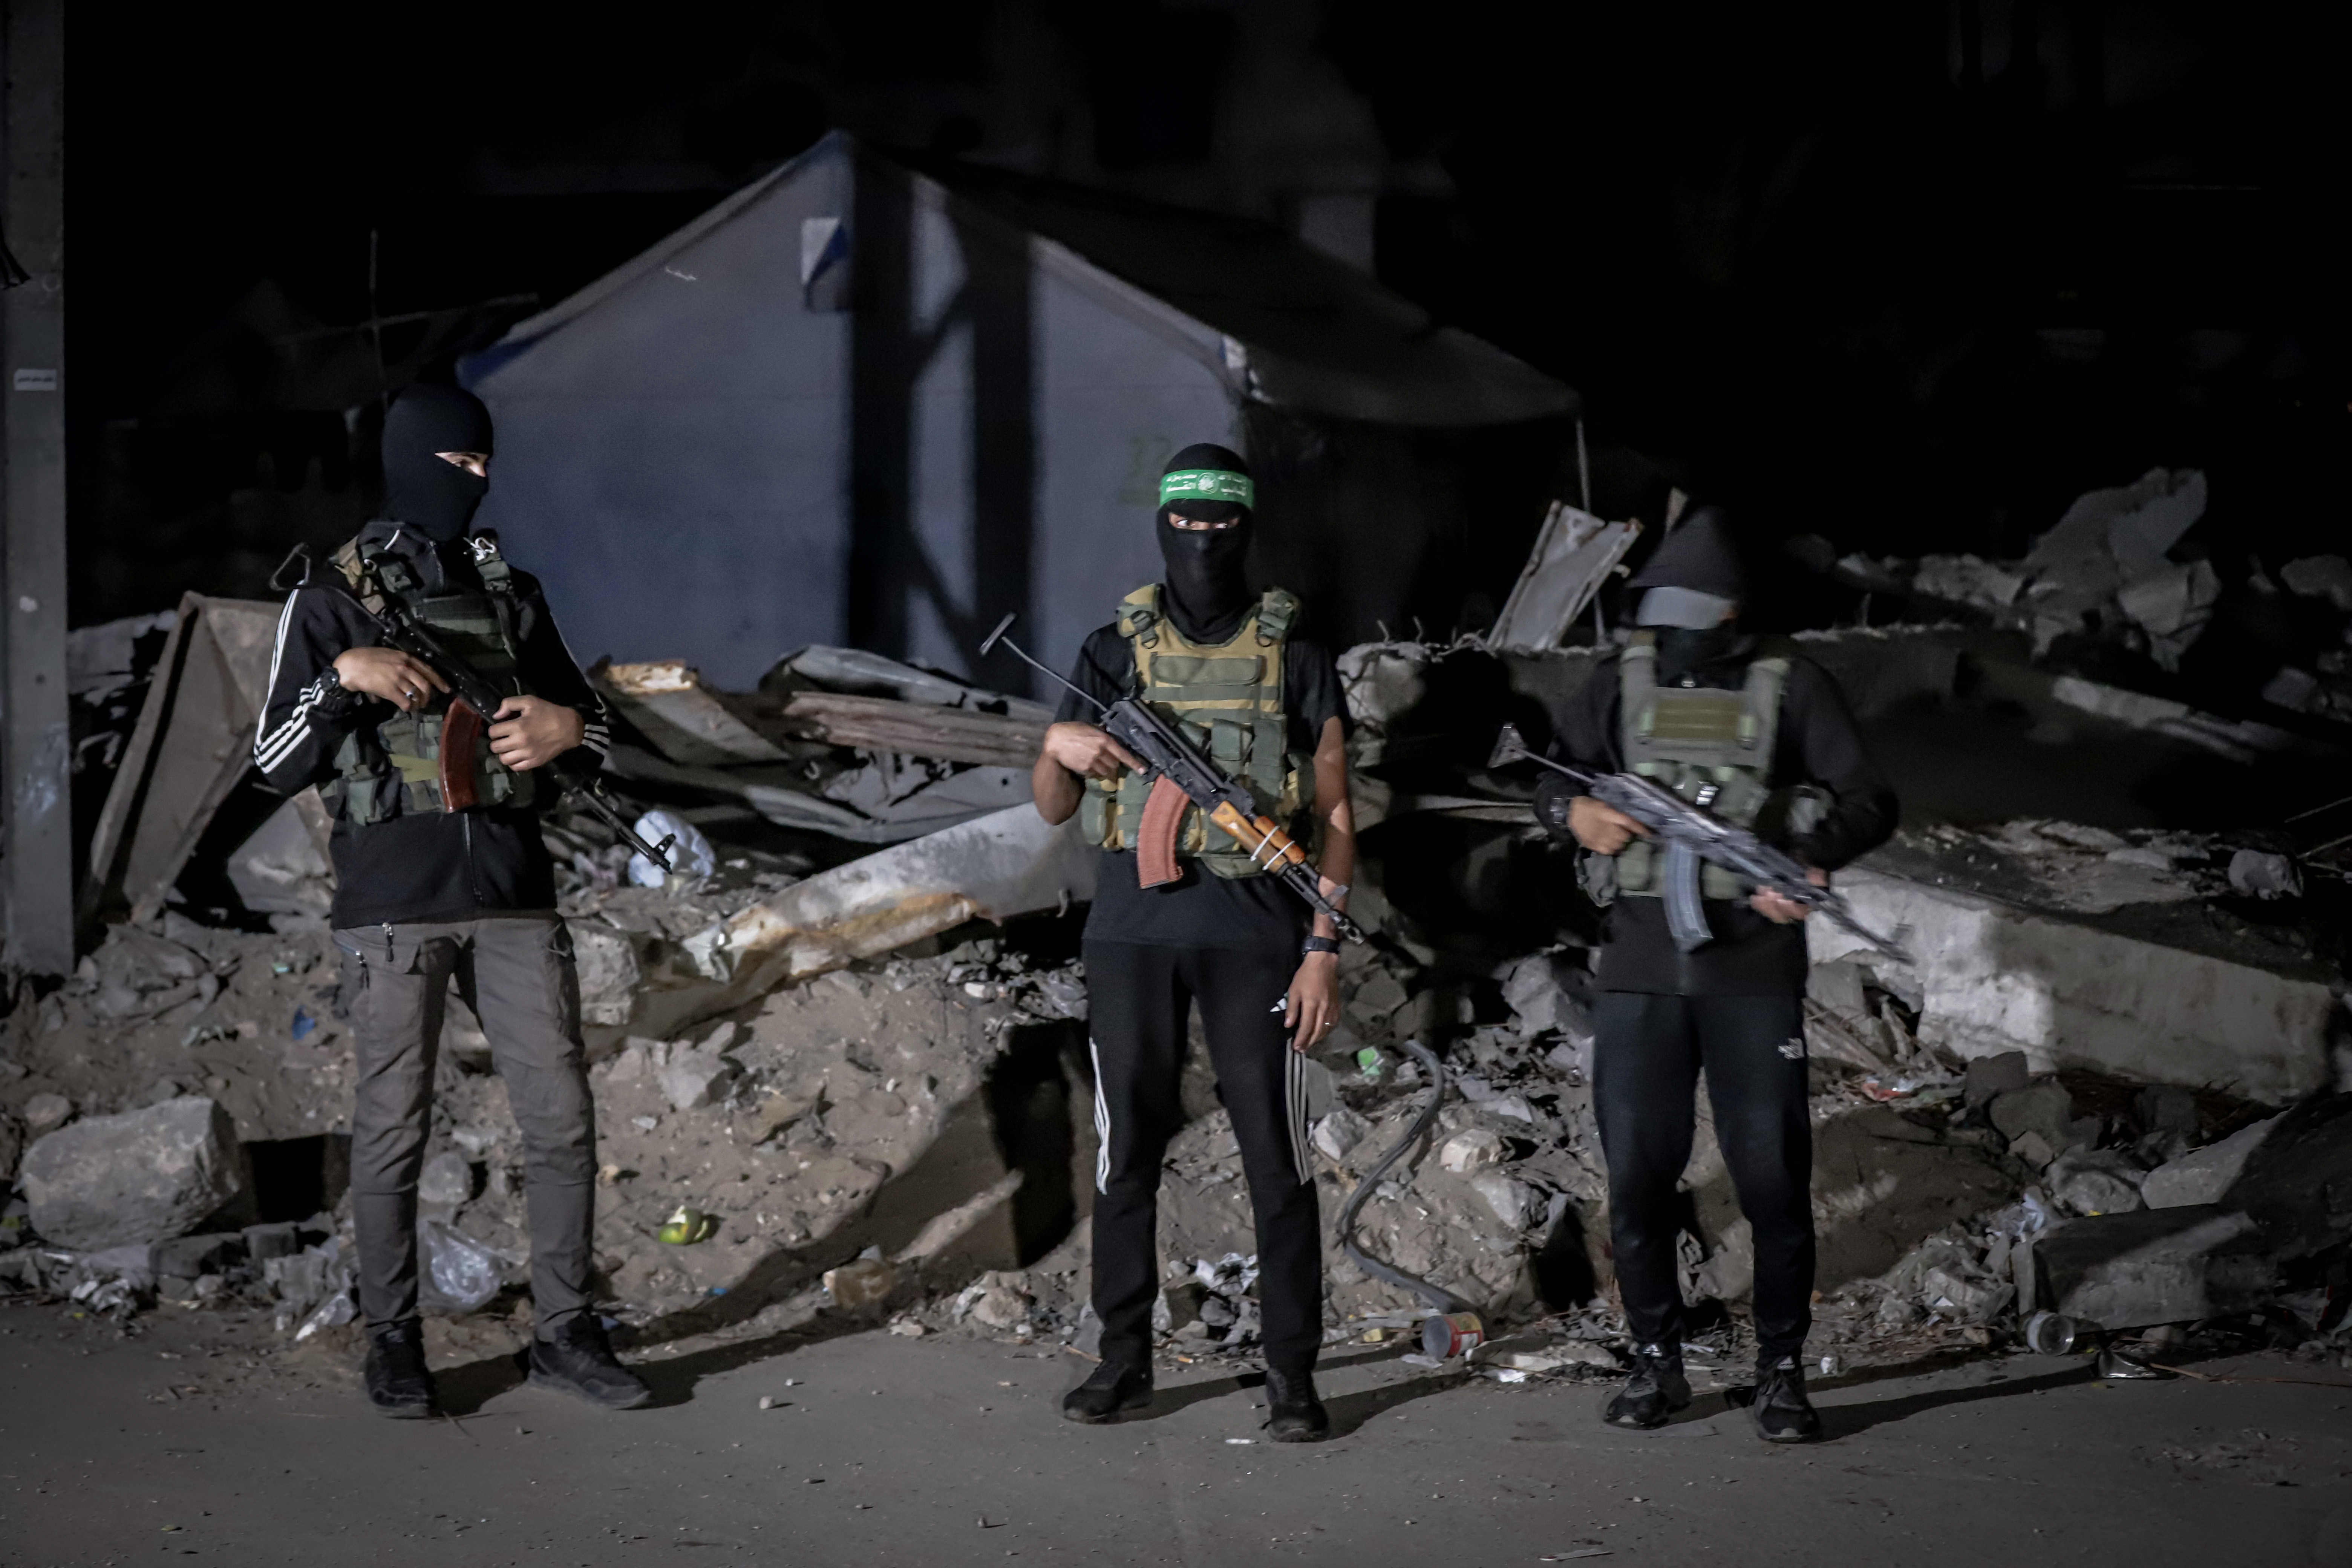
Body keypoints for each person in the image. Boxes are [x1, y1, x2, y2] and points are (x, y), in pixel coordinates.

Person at [252, 382, 650, 1418]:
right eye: (458, 465)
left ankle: (565, 1331)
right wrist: (343, 677)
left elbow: (601, 728)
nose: (476, 483)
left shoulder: (511, 590)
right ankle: (393, 1340)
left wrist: (569, 729)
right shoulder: (329, 597)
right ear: (409, 463)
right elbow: (272, 762)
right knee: (393, 1129)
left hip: (515, 895)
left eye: (483, 466)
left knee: (561, 1119)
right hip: (393, 906)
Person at [1532, 506, 1897, 1443]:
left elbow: (1869, 799)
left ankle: (1781, 1371)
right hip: (1640, 969)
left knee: (1772, 1180)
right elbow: (1550, 778)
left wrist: (1810, 860)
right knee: (1637, 1179)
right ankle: (1657, 1362)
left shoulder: (1791, 684)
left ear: (1734, 611)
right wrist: (1575, 816)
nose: (1684, 629)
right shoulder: (1621, 681)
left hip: (1753, 971)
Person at [1031, 443, 1352, 1442]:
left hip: (1258, 933)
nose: (1203, 540)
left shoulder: (1298, 655)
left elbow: (1338, 814)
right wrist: (1053, 747)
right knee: (1126, 1154)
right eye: (1186, 521)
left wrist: (1323, 947)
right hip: (1131, 932)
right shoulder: (1109, 650)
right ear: (1161, 524)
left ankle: (1291, 1373)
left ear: (1247, 526)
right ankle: (1122, 1358)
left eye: (1222, 522)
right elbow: (1054, 807)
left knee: (1277, 1158)